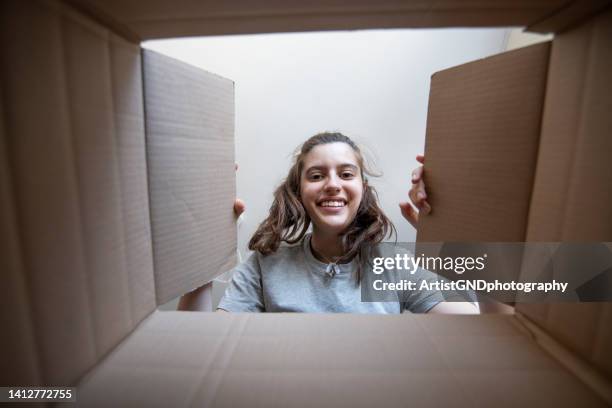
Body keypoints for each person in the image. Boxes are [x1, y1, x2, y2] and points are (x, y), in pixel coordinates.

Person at [206, 132, 477, 314]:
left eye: (346, 174)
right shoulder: (263, 266)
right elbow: (205, 350)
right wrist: (203, 247)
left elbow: (480, 329)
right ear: (298, 190)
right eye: (316, 176)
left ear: (363, 188)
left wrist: (449, 233)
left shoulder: (395, 266)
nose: (333, 185)